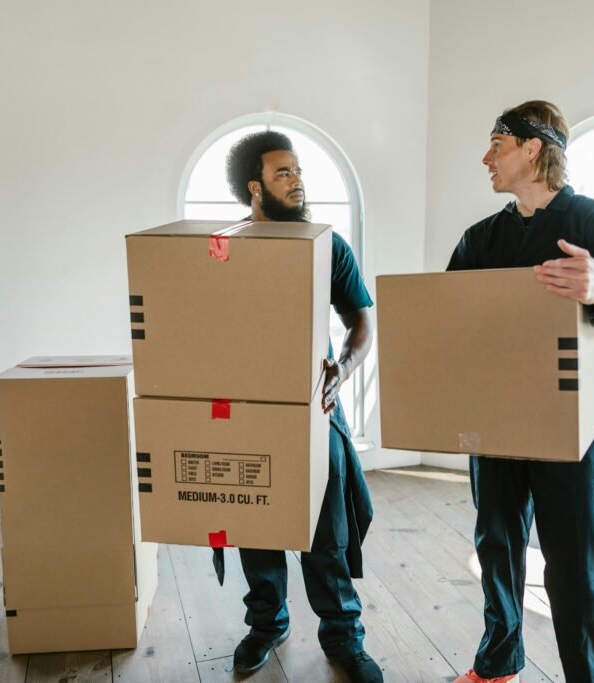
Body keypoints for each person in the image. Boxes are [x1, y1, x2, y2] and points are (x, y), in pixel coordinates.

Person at [447, 101, 594, 683]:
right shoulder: (480, 238)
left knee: (575, 567)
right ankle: (498, 661)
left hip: (574, 424)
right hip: (497, 420)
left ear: (532, 149)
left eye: (496, 145)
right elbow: (448, 318)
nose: (486, 158)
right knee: (497, 547)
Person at [220, 130, 382, 683]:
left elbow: (362, 318)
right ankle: (266, 625)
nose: (298, 181)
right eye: (283, 172)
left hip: (315, 414)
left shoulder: (327, 245)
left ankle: (343, 637)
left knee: (326, 534)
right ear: (254, 186)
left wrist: (344, 369)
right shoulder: (221, 251)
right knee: (257, 528)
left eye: (298, 171)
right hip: (244, 416)